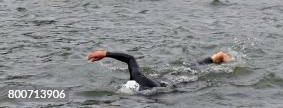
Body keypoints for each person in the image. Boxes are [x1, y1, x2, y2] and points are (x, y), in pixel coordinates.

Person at [87, 50, 232, 90]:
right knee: (188, 69)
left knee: (192, 74)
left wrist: (107, 54)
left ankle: (216, 57)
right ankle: (214, 57)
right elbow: (130, 59)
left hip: (170, 83)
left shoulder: (149, 89)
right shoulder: (136, 77)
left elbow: (130, 58)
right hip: (162, 78)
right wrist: (105, 54)